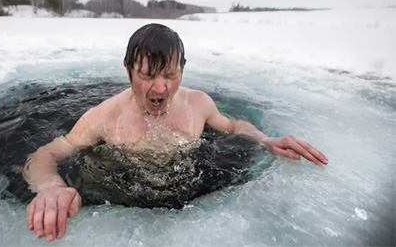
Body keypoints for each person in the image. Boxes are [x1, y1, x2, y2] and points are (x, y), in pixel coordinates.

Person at [23, 23, 328, 242]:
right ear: (128, 70)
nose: (161, 88)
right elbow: (47, 153)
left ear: (182, 68)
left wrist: (265, 139)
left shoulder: (198, 103)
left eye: (171, 75)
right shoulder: (102, 117)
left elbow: (233, 126)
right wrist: (50, 187)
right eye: (147, 76)